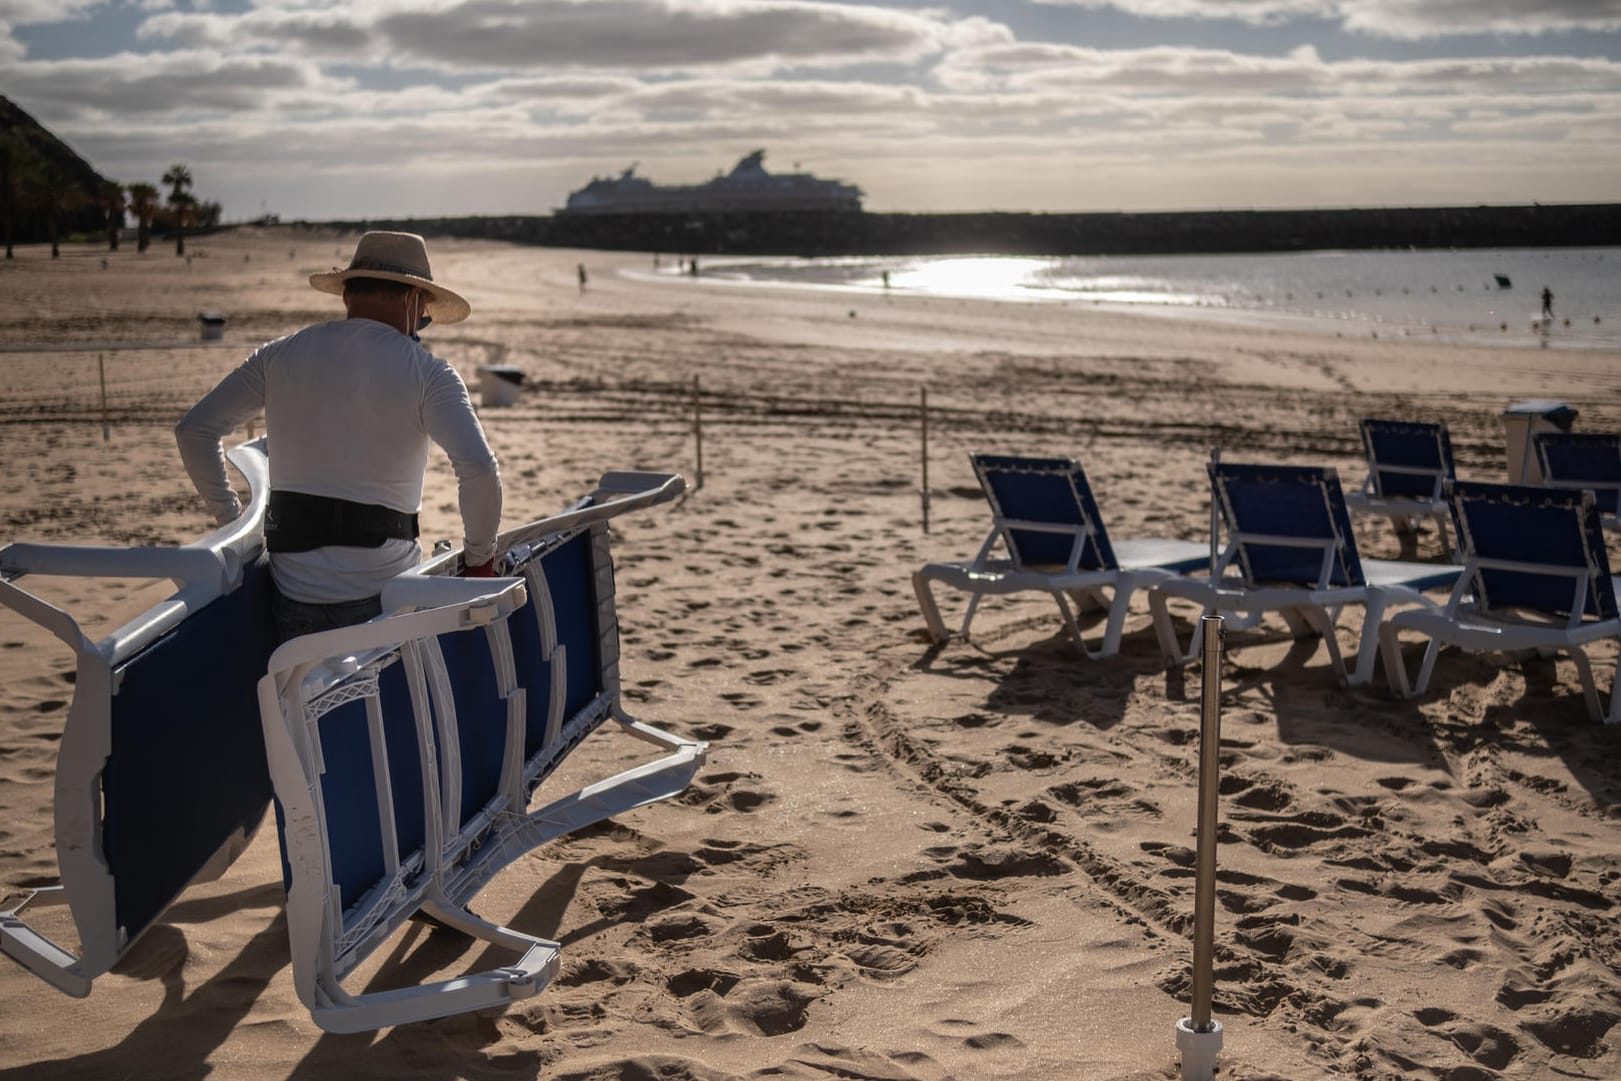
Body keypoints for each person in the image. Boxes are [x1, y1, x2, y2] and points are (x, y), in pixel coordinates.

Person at [176, 231, 502, 642]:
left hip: (292, 597)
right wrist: (478, 562)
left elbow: (194, 431)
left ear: (348, 295)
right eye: (424, 317)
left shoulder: (278, 355)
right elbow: (478, 469)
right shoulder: (428, 372)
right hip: (385, 598)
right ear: (411, 301)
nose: (420, 325)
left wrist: (234, 521)